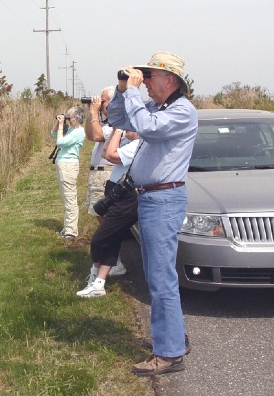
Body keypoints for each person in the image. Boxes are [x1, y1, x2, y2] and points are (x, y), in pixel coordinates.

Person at [107, 51, 198, 376]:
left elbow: (146, 127)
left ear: (170, 80)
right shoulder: (157, 108)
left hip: (164, 201)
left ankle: (170, 354)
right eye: (141, 76)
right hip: (151, 200)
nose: (143, 82)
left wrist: (132, 92)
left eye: (150, 76)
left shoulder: (182, 112)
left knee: (161, 280)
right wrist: (122, 90)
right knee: (159, 277)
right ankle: (174, 338)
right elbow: (118, 119)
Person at [76, 128, 140, 297]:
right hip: (116, 190)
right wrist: (115, 132)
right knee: (113, 238)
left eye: (131, 128)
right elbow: (104, 150)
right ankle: (99, 282)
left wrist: (119, 131)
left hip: (127, 197)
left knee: (100, 239)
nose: (128, 130)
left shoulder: (139, 145)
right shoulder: (131, 143)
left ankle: (95, 275)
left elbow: (110, 155)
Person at [84, 88, 126, 276]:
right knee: (100, 218)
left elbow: (97, 135)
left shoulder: (119, 123)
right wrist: (90, 113)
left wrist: (94, 112)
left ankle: (113, 261)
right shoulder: (108, 122)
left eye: (103, 101)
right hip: (99, 174)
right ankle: (110, 259)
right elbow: (89, 134)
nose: (100, 104)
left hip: (108, 174)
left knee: (107, 221)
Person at [51, 106, 85, 239]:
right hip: (64, 165)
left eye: (69, 117)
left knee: (70, 197)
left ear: (76, 118)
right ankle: (67, 228)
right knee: (66, 198)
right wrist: (58, 123)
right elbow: (54, 134)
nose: (68, 120)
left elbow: (60, 142)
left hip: (69, 166)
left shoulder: (79, 132)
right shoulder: (71, 129)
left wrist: (61, 125)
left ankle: (71, 231)